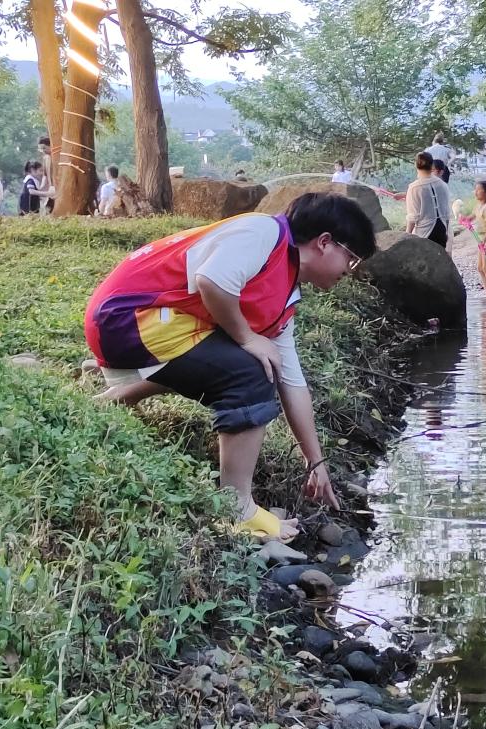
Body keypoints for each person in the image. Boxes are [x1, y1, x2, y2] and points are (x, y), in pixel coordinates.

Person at [83, 193, 377, 541]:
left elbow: (292, 382)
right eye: (351, 258)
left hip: (152, 324)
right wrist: (246, 337)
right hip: (126, 318)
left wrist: (315, 462)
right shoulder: (264, 233)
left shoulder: (285, 293)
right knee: (251, 370)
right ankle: (236, 509)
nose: (349, 271)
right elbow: (212, 281)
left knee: (246, 358)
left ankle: (121, 396)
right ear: (324, 242)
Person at [405, 151, 452, 248]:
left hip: (424, 233)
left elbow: (413, 217)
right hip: (441, 231)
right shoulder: (442, 184)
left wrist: (407, 235)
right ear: (431, 165)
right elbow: (447, 213)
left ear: (416, 165)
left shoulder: (414, 188)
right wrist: (446, 232)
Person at [38, 135, 55, 213]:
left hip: (58, 186)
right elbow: (45, 175)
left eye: (44, 148)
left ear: (50, 146)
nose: (43, 151)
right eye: (41, 149)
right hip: (51, 187)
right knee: (48, 208)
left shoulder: (56, 157)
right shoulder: (45, 158)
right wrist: (41, 187)